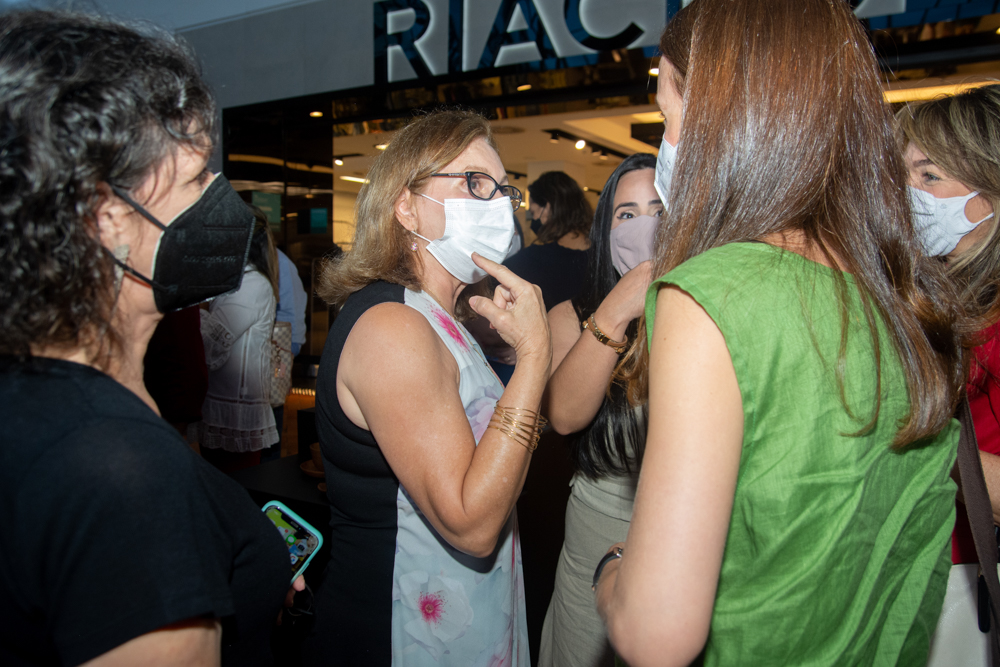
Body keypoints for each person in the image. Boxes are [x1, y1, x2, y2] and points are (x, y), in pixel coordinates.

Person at [594, 2, 966, 666]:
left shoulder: (714, 295)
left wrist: (613, 572)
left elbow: (656, 634)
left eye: (670, 114)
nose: (666, 141)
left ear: (726, 119)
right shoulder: (906, 297)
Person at [0, 10, 298, 666]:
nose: (222, 205)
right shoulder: (121, 466)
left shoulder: (41, 394)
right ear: (108, 218)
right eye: (196, 181)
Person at [303, 109, 551, 666]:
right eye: (473, 182)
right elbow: (471, 523)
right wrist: (535, 357)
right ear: (406, 205)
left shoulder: (443, 319)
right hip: (393, 630)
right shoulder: (392, 326)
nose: (494, 202)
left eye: (501, 189)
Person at [538, 153, 659, 667]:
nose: (645, 226)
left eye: (660, 209)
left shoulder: (711, 309)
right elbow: (563, 414)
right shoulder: (573, 315)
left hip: (689, 537)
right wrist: (618, 307)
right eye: (627, 215)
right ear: (604, 231)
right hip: (597, 529)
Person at [896, 85, 1000, 664]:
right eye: (904, 175)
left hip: (976, 577)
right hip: (935, 562)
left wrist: (913, 441)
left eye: (929, 176)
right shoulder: (940, 296)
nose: (909, 196)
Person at [189, 215, 280, 473]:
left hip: (235, 410)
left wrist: (191, 305)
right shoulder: (237, 280)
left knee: (235, 491)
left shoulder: (250, 283)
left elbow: (212, 344)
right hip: (225, 405)